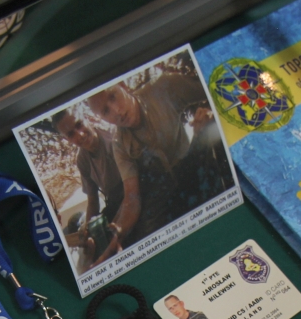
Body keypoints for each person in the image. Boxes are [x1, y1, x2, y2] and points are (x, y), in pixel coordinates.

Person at [87, 66, 234, 256]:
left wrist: (209, 111)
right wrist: (118, 234)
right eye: (106, 111)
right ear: (103, 119)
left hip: (196, 164)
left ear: (123, 86)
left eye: (113, 96)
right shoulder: (119, 144)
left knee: (211, 129)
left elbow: (215, 89)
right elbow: (132, 197)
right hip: (169, 194)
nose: (116, 111)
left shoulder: (163, 88)